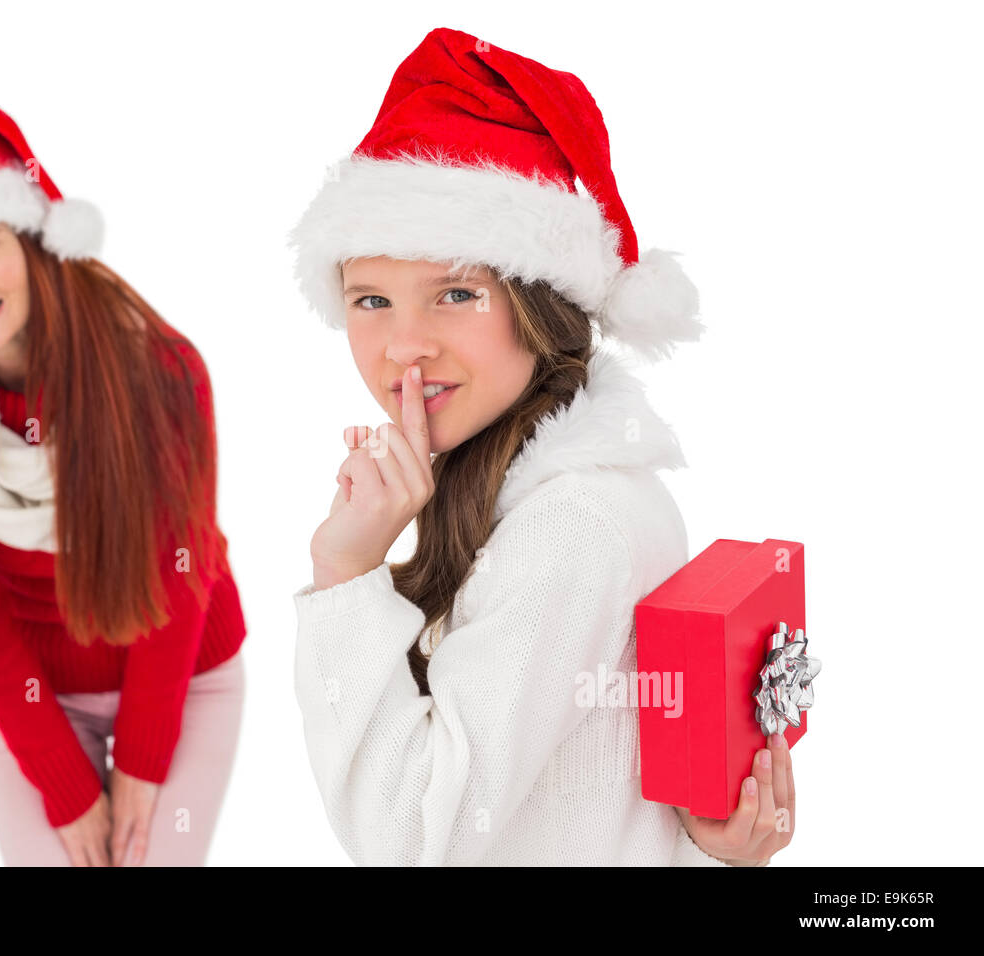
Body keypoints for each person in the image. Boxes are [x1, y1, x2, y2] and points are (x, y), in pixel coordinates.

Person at [287, 27, 794, 866]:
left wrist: (344, 576)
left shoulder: (570, 526)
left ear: (539, 306)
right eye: (371, 299)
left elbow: (414, 838)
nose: (403, 346)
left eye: (454, 292)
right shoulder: (547, 492)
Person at [0, 78, 246, 866]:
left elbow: (181, 571)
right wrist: (66, 788)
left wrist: (141, 759)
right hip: (36, 700)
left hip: (182, 675)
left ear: (33, 242)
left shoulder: (162, 370)